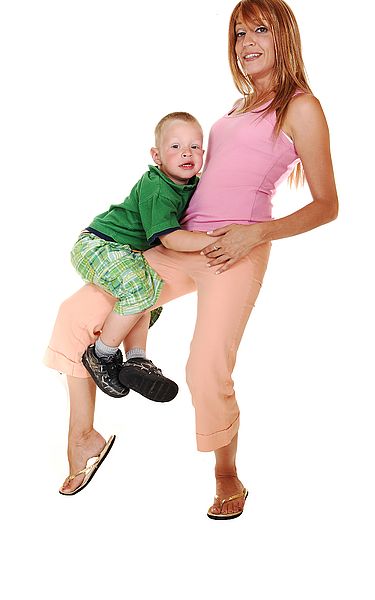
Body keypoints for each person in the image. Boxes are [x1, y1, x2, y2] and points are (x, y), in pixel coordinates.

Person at [44, 0, 339, 516]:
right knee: (75, 316)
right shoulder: (236, 108)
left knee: (205, 364)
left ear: (284, 36)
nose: (246, 43)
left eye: (259, 31)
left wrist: (255, 235)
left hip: (236, 250)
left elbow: (327, 205)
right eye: (239, 34)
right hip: (181, 242)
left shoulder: (302, 107)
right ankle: (83, 440)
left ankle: (227, 474)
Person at [71, 112, 221, 403]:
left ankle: (137, 359)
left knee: (152, 294)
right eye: (175, 147)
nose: (187, 153)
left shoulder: (192, 183)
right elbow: (171, 238)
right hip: (98, 244)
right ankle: (101, 354)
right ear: (157, 156)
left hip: (126, 251)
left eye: (195, 146)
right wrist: (213, 240)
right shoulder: (157, 188)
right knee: (139, 290)